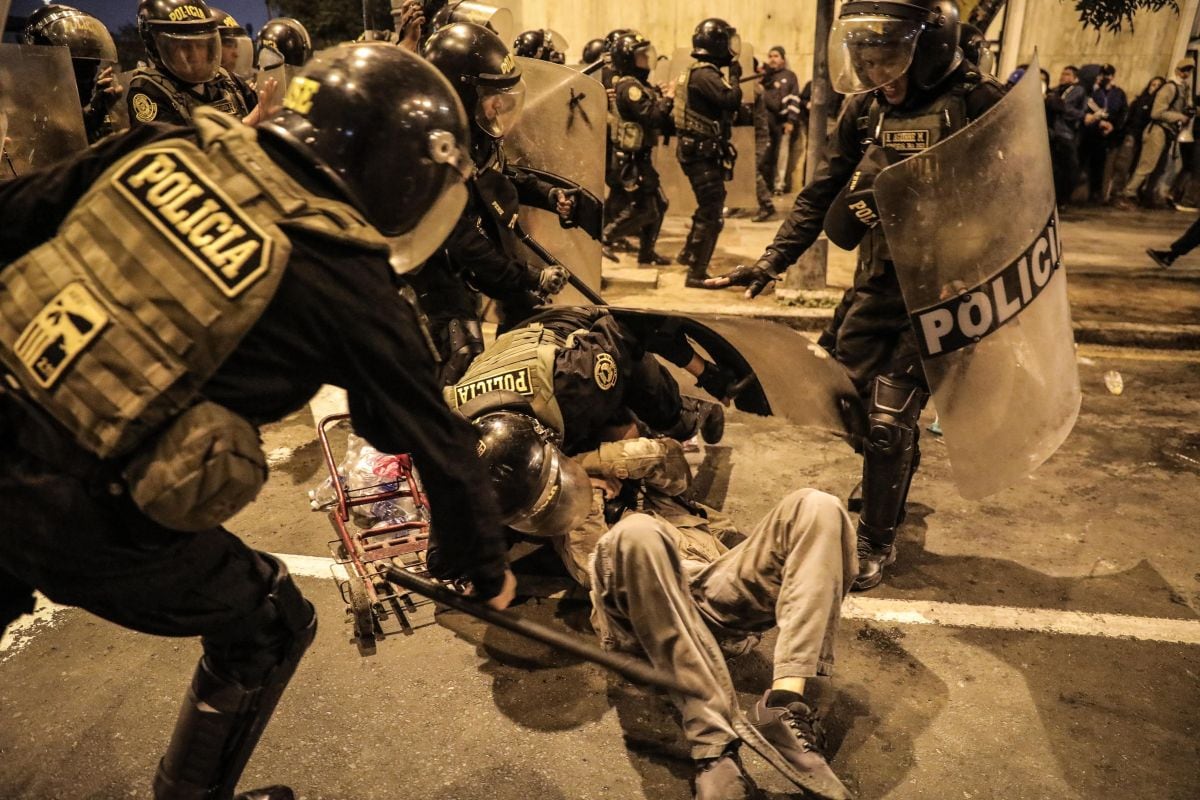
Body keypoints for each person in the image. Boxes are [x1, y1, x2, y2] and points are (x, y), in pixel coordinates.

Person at [0, 42, 512, 800]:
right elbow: (429, 438)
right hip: (80, 510)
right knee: (268, 620)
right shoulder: (347, 274)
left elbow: (12, 219)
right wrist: (481, 562)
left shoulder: (163, 148)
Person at [704, 0, 1005, 592]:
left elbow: (1019, 200)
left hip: (944, 295)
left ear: (931, 50)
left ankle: (875, 538)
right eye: (864, 62)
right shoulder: (863, 109)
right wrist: (772, 260)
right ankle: (892, 465)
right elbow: (821, 194)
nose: (875, 76)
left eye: (888, 61)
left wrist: (975, 270)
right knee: (848, 407)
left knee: (891, 419)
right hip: (878, 283)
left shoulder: (978, 102)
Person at [543, 424, 856, 800]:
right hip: (641, 623)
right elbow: (586, 561)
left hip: (712, 596)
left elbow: (666, 456)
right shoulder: (575, 512)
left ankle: (784, 704)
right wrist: (582, 486)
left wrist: (588, 464)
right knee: (636, 532)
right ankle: (714, 752)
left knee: (817, 505)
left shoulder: (662, 493)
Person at [413, 22, 577, 384]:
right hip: (430, 272)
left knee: (529, 325)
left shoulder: (475, 134)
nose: (499, 104)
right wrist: (530, 276)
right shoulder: (432, 153)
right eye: (491, 93)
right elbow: (466, 247)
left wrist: (549, 195)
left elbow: (496, 178)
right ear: (460, 93)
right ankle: (432, 436)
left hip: (466, 266)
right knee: (461, 355)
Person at [446, 306, 735, 456]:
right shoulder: (448, 432)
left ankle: (689, 413)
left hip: (570, 330)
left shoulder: (579, 381)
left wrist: (704, 372)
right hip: (515, 349)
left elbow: (637, 325)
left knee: (642, 399)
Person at [127, 0, 274, 128]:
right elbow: (173, 151)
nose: (195, 55)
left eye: (201, 45)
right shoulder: (148, 91)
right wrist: (247, 123)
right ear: (155, 46)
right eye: (183, 46)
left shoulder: (229, 82)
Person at [674, 18, 743, 287]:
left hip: (698, 151)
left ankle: (689, 254)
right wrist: (736, 75)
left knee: (707, 206)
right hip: (701, 154)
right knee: (713, 210)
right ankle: (696, 272)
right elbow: (731, 100)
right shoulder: (706, 74)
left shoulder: (698, 71)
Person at [601, 32, 673, 267]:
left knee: (659, 205)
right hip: (632, 161)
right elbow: (652, 117)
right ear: (628, 59)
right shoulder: (629, 86)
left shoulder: (637, 84)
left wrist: (659, 95)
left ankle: (646, 252)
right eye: (640, 56)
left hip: (639, 158)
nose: (645, 59)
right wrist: (668, 99)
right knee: (644, 210)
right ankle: (606, 238)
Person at [21, 4, 124, 144]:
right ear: (44, 59)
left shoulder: (94, 100)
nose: (92, 67)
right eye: (80, 60)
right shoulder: (24, 105)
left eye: (93, 57)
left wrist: (100, 112)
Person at [1116, 59, 1195, 208]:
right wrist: (1179, 117)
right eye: (1184, 70)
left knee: (1159, 167)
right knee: (1147, 165)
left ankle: (1146, 195)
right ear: (1177, 70)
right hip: (1158, 130)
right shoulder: (1170, 88)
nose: (1186, 73)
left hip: (1167, 131)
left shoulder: (1184, 89)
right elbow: (1157, 112)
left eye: (1189, 70)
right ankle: (1128, 193)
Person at [1109, 75, 1165, 199]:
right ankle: (1116, 192)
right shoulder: (1140, 101)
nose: (1154, 88)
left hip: (1146, 138)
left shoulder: (1156, 105)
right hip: (1132, 135)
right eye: (1153, 85)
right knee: (1124, 164)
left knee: (1136, 166)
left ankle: (1129, 192)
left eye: (1158, 86)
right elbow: (1132, 118)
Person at [1078, 63, 1127, 204]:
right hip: (1090, 132)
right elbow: (1087, 109)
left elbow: (1123, 112)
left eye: (1107, 75)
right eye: (1102, 75)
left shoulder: (1118, 93)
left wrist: (1113, 126)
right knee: (1082, 161)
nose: (1104, 78)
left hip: (1106, 136)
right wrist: (1098, 122)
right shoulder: (1092, 91)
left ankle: (1096, 193)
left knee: (1099, 165)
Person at [762, 46, 802, 206]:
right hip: (767, 123)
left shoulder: (790, 76)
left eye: (776, 56)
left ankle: (779, 185)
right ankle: (766, 185)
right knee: (766, 155)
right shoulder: (764, 76)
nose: (773, 59)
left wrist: (791, 120)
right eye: (770, 56)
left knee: (782, 154)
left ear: (783, 59)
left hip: (783, 122)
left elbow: (794, 98)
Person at [1045, 65, 1086, 206]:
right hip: (1053, 134)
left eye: (1068, 74)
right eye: (1063, 73)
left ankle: (1062, 199)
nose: (1063, 76)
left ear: (1075, 78)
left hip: (1066, 134)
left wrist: (1058, 104)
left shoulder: (1077, 91)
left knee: (1069, 169)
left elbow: (1069, 109)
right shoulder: (1056, 90)